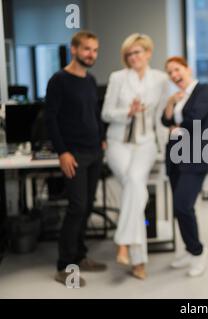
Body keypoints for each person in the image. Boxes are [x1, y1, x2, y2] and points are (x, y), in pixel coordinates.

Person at [102, 33, 169, 280]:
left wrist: (166, 145)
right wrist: (126, 112)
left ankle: (123, 242)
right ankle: (138, 260)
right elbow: (106, 113)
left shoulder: (160, 79)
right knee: (136, 186)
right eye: (129, 54)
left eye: (138, 52)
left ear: (148, 53)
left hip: (146, 143)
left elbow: (161, 116)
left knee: (133, 181)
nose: (133, 57)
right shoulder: (117, 78)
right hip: (118, 142)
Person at [46, 31, 107, 287]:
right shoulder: (59, 80)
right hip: (74, 154)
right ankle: (64, 266)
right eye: (86, 49)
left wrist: (102, 137)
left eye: (94, 50)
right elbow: (51, 119)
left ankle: (80, 256)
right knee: (77, 207)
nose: (91, 54)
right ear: (74, 49)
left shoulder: (91, 80)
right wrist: (63, 152)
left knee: (87, 205)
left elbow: (94, 112)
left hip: (94, 152)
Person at [161, 56, 208, 277]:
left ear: (187, 69)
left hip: (194, 155)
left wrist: (175, 127)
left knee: (183, 206)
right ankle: (189, 248)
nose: (174, 75)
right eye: (170, 73)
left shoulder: (203, 90)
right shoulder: (177, 96)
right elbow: (164, 121)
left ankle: (198, 251)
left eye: (177, 70)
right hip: (175, 155)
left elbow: (195, 119)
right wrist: (171, 103)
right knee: (178, 208)